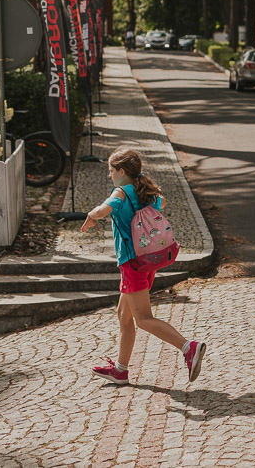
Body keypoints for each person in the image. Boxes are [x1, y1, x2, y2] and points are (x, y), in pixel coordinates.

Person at [83, 147, 206, 385]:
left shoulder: (120, 192)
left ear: (122, 171)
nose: (109, 175)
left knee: (143, 319)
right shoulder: (143, 191)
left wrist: (91, 215)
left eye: (111, 170)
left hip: (131, 264)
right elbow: (162, 201)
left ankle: (188, 348)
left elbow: (103, 210)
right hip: (147, 262)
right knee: (124, 315)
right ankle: (120, 370)